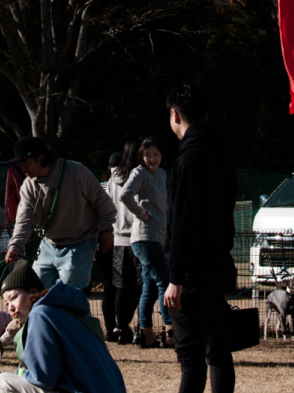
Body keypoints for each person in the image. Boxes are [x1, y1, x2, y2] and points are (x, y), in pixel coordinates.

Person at [162, 83, 235, 393]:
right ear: (206, 114)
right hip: (218, 265)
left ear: (176, 115)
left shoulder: (188, 159)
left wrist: (175, 277)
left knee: (191, 360)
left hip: (192, 274)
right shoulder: (223, 154)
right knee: (219, 353)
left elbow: (183, 223)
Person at [0, 262, 124, 393]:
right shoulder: (62, 311)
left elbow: (43, 378)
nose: (10, 308)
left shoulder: (40, 315)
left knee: (2, 382)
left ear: (33, 291)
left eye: (13, 298)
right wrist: (17, 376)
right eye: (6, 304)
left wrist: (15, 376)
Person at [6, 138, 114, 291]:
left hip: (79, 243)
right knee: (37, 290)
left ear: (41, 158)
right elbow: (24, 219)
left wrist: (106, 229)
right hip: (48, 244)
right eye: (20, 164)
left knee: (69, 294)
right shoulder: (28, 186)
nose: (23, 168)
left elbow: (102, 201)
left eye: (26, 163)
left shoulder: (75, 171)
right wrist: (15, 246)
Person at [120, 138, 171, 349]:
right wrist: (140, 214)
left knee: (149, 286)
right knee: (165, 282)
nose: (152, 159)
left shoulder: (162, 174)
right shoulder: (139, 172)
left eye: (156, 154)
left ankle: (146, 333)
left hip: (157, 237)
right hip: (144, 237)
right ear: (141, 157)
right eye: (148, 155)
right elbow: (125, 194)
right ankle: (170, 328)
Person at [100, 146, 140, 343]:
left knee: (112, 288)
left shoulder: (104, 186)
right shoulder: (134, 180)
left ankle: (111, 328)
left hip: (107, 238)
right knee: (135, 286)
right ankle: (123, 324)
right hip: (130, 239)